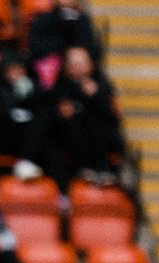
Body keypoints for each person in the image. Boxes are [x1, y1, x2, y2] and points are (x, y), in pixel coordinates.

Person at [42, 46, 124, 187]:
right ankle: (85, 170)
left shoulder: (101, 85)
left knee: (95, 121)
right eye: (74, 63)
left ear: (91, 65)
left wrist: (96, 97)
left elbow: (112, 116)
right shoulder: (60, 86)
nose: (78, 67)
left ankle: (101, 168)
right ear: (66, 66)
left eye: (82, 63)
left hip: (101, 140)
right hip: (69, 142)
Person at [0, 53, 49, 178]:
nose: (17, 73)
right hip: (1, 138)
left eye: (21, 69)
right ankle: (26, 162)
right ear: (4, 70)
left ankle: (62, 192)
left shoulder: (32, 88)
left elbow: (43, 112)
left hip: (27, 141)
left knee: (51, 150)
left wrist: (33, 93)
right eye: (13, 69)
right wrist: (14, 97)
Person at [25, 0, 104, 83]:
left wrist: (78, 55)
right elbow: (35, 47)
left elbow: (92, 46)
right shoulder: (43, 20)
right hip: (51, 74)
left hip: (79, 77)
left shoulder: (82, 20)